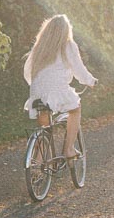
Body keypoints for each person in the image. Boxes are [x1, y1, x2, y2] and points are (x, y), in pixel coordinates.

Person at [23, 14, 96, 160]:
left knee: (45, 127)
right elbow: (78, 69)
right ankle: (69, 149)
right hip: (57, 90)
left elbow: (27, 71)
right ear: (66, 31)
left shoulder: (39, 47)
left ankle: (38, 163)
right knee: (75, 109)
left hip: (37, 92)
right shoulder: (68, 45)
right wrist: (90, 81)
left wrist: (36, 85)